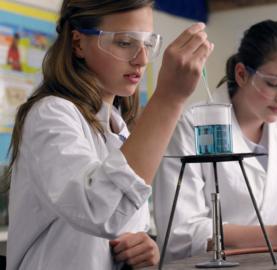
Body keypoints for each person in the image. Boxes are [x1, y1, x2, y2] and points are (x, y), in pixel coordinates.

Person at [5, 0, 213, 269]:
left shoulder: (118, 126)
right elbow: (98, 210)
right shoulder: (51, 114)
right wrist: (169, 99)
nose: (142, 59)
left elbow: (121, 219)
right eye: (125, 42)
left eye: (148, 43)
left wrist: (144, 245)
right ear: (78, 43)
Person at [154, 20, 277, 261]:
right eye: (274, 83)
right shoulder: (191, 125)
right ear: (242, 74)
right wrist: (275, 235)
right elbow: (179, 234)